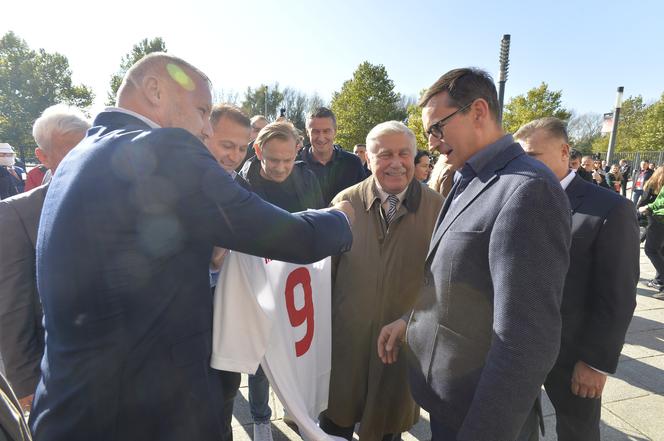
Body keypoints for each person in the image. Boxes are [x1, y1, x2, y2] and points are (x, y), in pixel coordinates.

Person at [29, 53, 354, 441]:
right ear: (154, 91)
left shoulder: (82, 152)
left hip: (76, 405)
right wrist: (343, 217)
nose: (205, 127)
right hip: (140, 413)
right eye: (202, 111)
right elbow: (289, 236)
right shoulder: (163, 149)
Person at [377, 68, 571, 441]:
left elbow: (525, 340)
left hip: (479, 417)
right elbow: (456, 279)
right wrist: (410, 319)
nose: (431, 143)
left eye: (438, 128)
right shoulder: (472, 177)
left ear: (478, 112)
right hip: (451, 402)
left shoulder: (528, 191)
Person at [515, 117, 639, 441]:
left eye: (532, 156)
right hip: (518, 347)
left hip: (572, 355)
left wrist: (596, 362)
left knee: (577, 432)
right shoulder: (517, 199)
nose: (523, 166)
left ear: (564, 151)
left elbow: (618, 295)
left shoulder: (610, 208)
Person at [320, 121, 443, 441]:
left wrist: (410, 320)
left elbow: (443, 283)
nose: (395, 162)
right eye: (384, 154)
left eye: (404, 153)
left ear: (415, 157)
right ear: (369, 159)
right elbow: (323, 279)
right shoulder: (343, 204)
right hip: (344, 351)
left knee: (387, 431)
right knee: (334, 426)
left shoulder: (438, 209)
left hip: (399, 352)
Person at [238, 121, 325, 441]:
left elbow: (316, 220)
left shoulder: (307, 177)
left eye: (288, 160)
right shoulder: (242, 182)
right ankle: (261, 418)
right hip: (258, 278)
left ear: (297, 153)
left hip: (299, 277)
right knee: (262, 356)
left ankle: (300, 412)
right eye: (273, 160)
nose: (281, 167)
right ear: (258, 150)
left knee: (300, 348)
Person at [0, 105, 89, 415]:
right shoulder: (16, 214)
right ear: (43, 156)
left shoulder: (120, 204)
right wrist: (24, 385)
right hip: (57, 375)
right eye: (70, 152)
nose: (83, 161)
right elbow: (12, 308)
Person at [298, 107, 366, 205]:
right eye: (315, 131)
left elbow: (363, 200)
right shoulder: (295, 165)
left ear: (335, 131)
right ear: (307, 132)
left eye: (326, 131)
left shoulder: (352, 163)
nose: (321, 138)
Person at [639, 168, 664, 300]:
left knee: (651, 250)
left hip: (658, 218)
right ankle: (659, 280)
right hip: (658, 217)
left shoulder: (652, 183)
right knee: (660, 251)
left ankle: (662, 280)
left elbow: (659, 201)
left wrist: (646, 208)